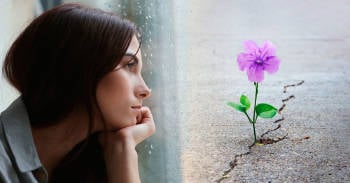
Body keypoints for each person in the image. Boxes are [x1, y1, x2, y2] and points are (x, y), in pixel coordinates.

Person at [0, 3, 155, 183]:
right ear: (79, 65)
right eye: (129, 65)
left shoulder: (92, 161)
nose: (145, 90)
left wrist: (123, 149)